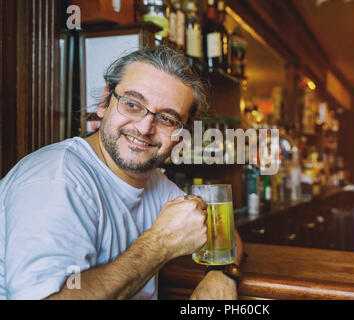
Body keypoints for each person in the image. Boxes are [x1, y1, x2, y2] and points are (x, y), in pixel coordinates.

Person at [0, 45, 243, 300]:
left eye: (167, 119)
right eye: (132, 104)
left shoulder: (154, 183)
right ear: (105, 101)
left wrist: (222, 274)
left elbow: (224, 233)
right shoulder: (56, 180)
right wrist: (159, 244)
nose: (145, 127)